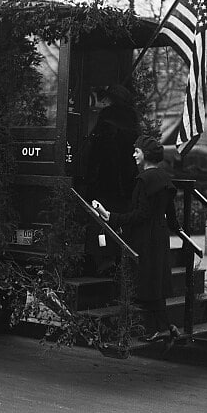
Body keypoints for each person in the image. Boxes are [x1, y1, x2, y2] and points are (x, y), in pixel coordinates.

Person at [93, 135, 182, 348]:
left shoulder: (144, 180)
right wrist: (178, 229)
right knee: (155, 283)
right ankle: (165, 327)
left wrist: (111, 216)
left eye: (137, 151)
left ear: (146, 155)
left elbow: (141, 214)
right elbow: (171, 213)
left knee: (145, 282)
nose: (133, 154)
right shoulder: (164, 178)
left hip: (145, 237)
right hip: (160, 236)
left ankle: (158, 328)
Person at [82, 85, 140, 275]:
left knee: (100, 222)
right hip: (127, 181)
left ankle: (102, 262)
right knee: (119, 221)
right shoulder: (133, 119)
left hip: (106, 180)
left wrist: (89, 179)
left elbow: (95, 152)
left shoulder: (107, 118)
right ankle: (118, 261)